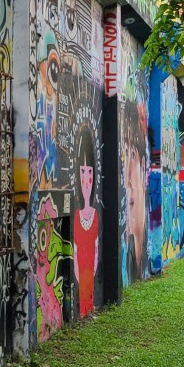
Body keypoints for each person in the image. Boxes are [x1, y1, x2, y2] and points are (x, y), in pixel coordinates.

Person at [73, 128, 98, 318]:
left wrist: (92, 272)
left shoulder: (96, 215)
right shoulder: (76, 216)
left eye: (89, 172)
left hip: (90, 272)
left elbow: (96, 249)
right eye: (82, 171)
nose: (86, 179)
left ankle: (89, 308)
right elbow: (74, 251)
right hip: (80, 272)